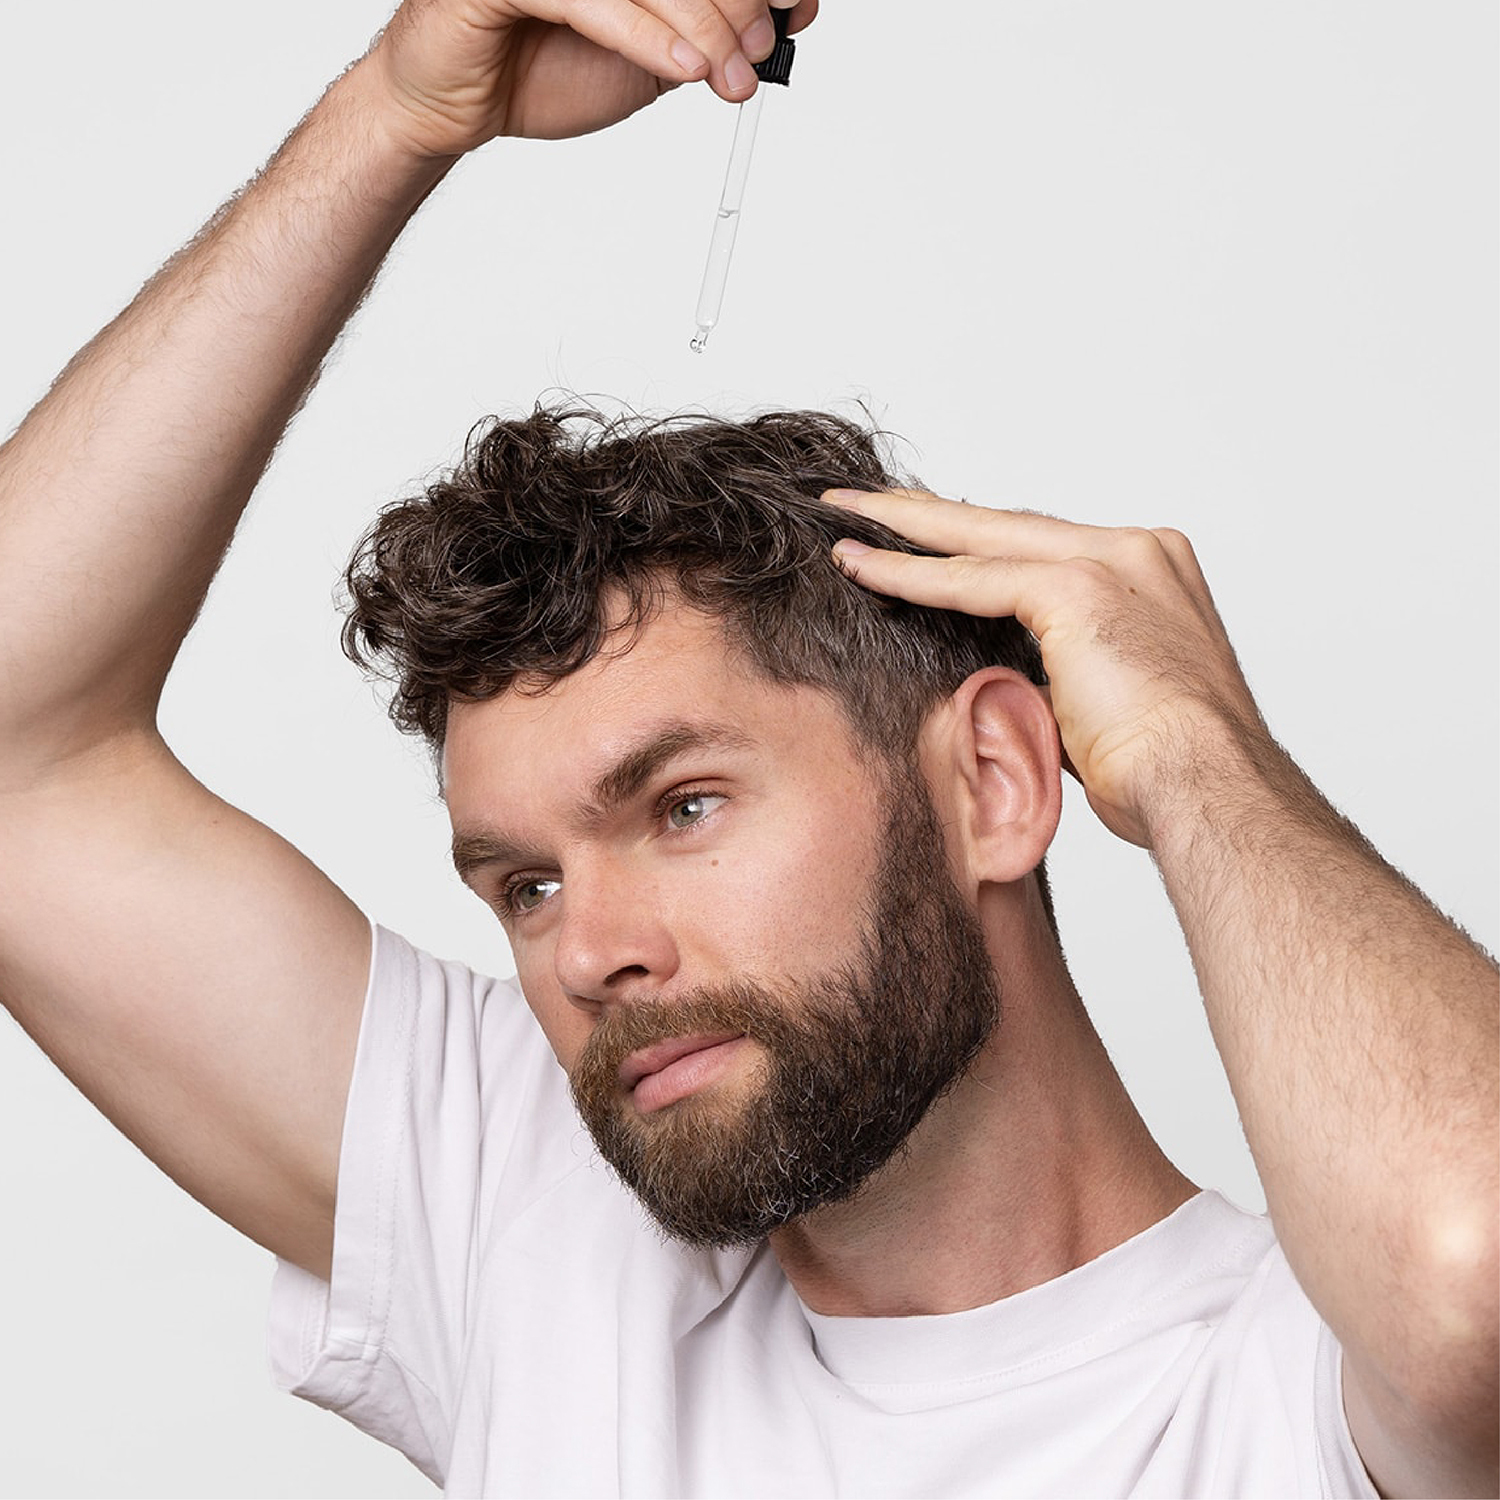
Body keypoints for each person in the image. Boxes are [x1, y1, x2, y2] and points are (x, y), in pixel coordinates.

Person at [0, 2, 1493, 1497]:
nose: (592, 953)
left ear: (993, 781)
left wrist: (1192, 750)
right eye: (525, 887)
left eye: (683, 807)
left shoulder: (1302, 1390)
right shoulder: (536, 1231)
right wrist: (398, 109)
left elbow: (1470, 1280)